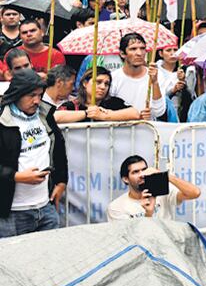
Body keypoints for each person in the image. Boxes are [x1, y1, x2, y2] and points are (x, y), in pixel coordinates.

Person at [0, 69, 68, 238]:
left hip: (45, 208)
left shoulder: (45, 114)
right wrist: (16, 176)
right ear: (17, 94)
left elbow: (59, 149)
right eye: (31, 95)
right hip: (11, 212)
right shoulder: (2, 119)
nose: (37, 100)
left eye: (40, 95)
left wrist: (61, 182)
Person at [106, 155, 201, 221]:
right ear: (126, 179)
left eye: (144, 170)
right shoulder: (116, 207)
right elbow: (130, 240)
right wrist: (148, 214)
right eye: (135, 172)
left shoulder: (162, 192)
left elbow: (195, 193)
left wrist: (165, 176)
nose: (142, 174)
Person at [110, 33, 166, 120]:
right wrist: (134, 116)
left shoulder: (156, 75)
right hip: (120, 129)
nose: (139, 53)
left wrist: (155, 82)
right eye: (133, 49)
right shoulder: (113, 78)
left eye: (142, 48)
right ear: (122, 53)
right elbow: (109, 110)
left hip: (148, 129)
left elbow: (159, 111)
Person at [56, 68, 141, 123]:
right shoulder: (72, 105)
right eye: (98, 82)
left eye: (107, 84)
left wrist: (103, 116)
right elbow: (55, 117)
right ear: (85, 83)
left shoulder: (113, 102)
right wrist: (87, 113)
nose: (103, 87)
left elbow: (135, 114)